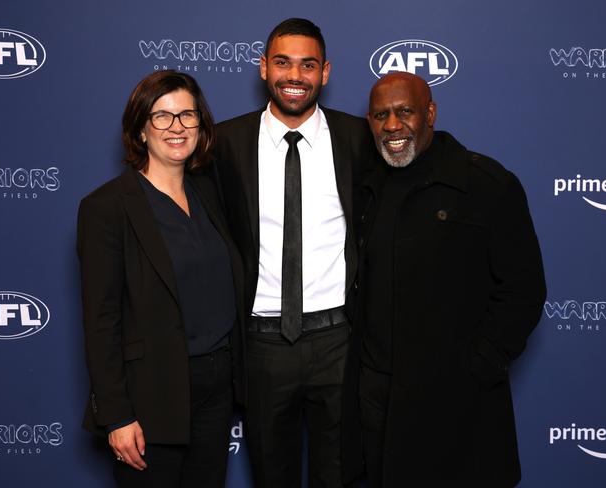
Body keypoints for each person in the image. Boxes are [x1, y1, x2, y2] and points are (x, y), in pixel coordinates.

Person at [350, 72, 547, 487]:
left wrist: (476, 368)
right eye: (380, 115)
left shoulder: (486, 184)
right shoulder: (362, 187)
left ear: (430, 114)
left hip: (459, 404)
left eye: (405, 112)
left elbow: (524, 290)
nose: (392, 125)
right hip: (378, 404)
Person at [214, 18, 372, 488]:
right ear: (263, 68)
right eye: (283, 62)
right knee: (271, 475)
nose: (295, 76)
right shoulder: (223, 143)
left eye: (307, 65)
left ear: (325, 72)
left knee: (340, 476)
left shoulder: (360, 138)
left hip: (339, 340)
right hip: (262, 344)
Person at [77, 70, 244, 488]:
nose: (177, 127)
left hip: (217, 383)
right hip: (152, 391)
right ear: (140, 128)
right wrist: (116, 414)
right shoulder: (107, 208)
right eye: (163, 116)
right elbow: (101, 320)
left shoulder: (209, 192)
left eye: (188, 115)